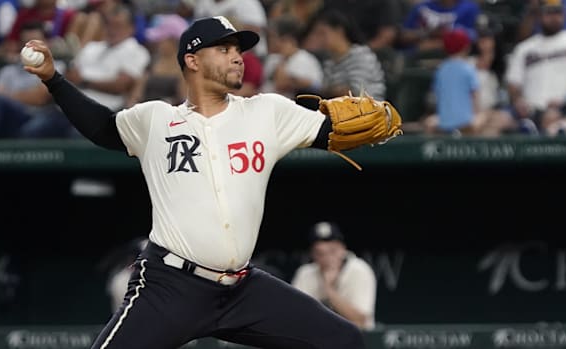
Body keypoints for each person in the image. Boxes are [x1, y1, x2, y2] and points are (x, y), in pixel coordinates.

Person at [24, 15, 383, 349]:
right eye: (224, 49)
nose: (237, 57)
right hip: (169, 286)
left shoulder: (267, 112)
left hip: (243, 290)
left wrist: (374, 121)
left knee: (344, 340)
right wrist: (54, 80)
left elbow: (331, 130)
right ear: (192, 60)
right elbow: (103, 127)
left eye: (239, 50)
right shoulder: (156, 119)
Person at [505, 0, 566, 136]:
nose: (554, 17)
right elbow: (513, 83)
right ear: (540, 16)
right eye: (549, 13)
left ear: (564, 15)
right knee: (496, 120)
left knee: (558, 122)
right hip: (530, 109)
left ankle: (557, 130)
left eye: (558, 13)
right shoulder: (524, 48)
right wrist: (518, 101)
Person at [291, 221, 377, 331]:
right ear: (313, 254)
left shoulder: (359, 270)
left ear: (343, 248)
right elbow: (295, 315)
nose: (327, 258)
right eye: (320, 253)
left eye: (332, 251)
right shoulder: (305, 273)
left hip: (356, 340)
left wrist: (329, 290)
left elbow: (360, 320)